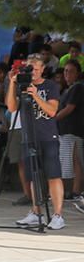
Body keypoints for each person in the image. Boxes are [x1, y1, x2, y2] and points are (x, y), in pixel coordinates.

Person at [7, 53, 68, 230]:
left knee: (53, 175)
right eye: (28, 68)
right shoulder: (23, 85)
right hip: (29, 137)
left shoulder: (50, 86)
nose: (32, 72)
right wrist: (12, 83)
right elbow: (11, 107)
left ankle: (58, 215)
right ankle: (36, 212)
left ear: (42, 69)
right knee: (33, 176)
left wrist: (35, 95)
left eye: (35, 68)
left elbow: (52, 111)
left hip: (48, 136)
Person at [55, 60, 83, 203]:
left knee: (75, 160)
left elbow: (69, 108)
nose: (67, 74)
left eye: (71, 71)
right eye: (65, 71)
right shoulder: (68, 89)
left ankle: (76, 191)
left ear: (77, 73)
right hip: (65, 129)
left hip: (73, 129)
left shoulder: (77, 87)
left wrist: (54, 119)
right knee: (71, 160)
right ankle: (73, 190)